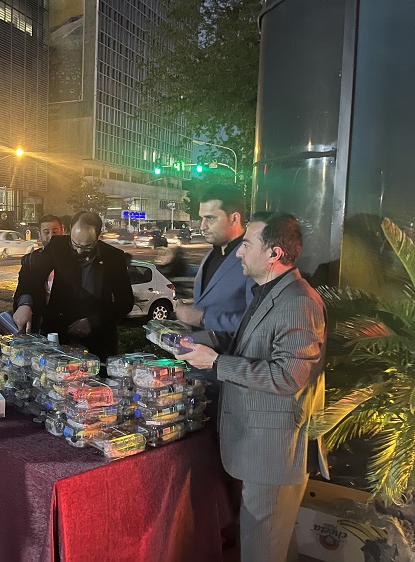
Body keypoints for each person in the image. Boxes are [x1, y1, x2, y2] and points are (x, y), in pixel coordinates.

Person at [175, 212, 328, 562]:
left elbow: (288, 377)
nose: (239, 253)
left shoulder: (298, 302)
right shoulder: (268, 292)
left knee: (262, 548)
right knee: (268, 544)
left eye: (246, 244)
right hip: (257, 445)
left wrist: (216, 363)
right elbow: (250, 349)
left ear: (274, 253)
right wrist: (199, 347)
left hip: (273, 450)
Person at [13, 211, 134, 361]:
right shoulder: (58, 245)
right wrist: (25, 303)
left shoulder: (114, 257)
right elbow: (32, 274)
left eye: (87, 247)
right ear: (70, 231)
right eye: (75, 244)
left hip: (98, 341)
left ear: (98, 236)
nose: (79, 251)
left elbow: (125, 302)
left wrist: (94, 321)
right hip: (59, 334)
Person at [176, 184, 254, 332]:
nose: (203, 227)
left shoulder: (254, 260)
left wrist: (203, 319)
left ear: (234, 219)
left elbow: (257, 322)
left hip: (231, 347)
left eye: (210, 218)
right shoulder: (210, 255)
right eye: (202, 218)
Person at [12, 214, 64, 329]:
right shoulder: (30, 260)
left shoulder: (72, 259)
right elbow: (24, 287)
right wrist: (25, 304)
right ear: (40, 235)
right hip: (39, 321)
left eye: (55, 231)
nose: (51, 236)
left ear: (62, 231)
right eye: (46, 232)